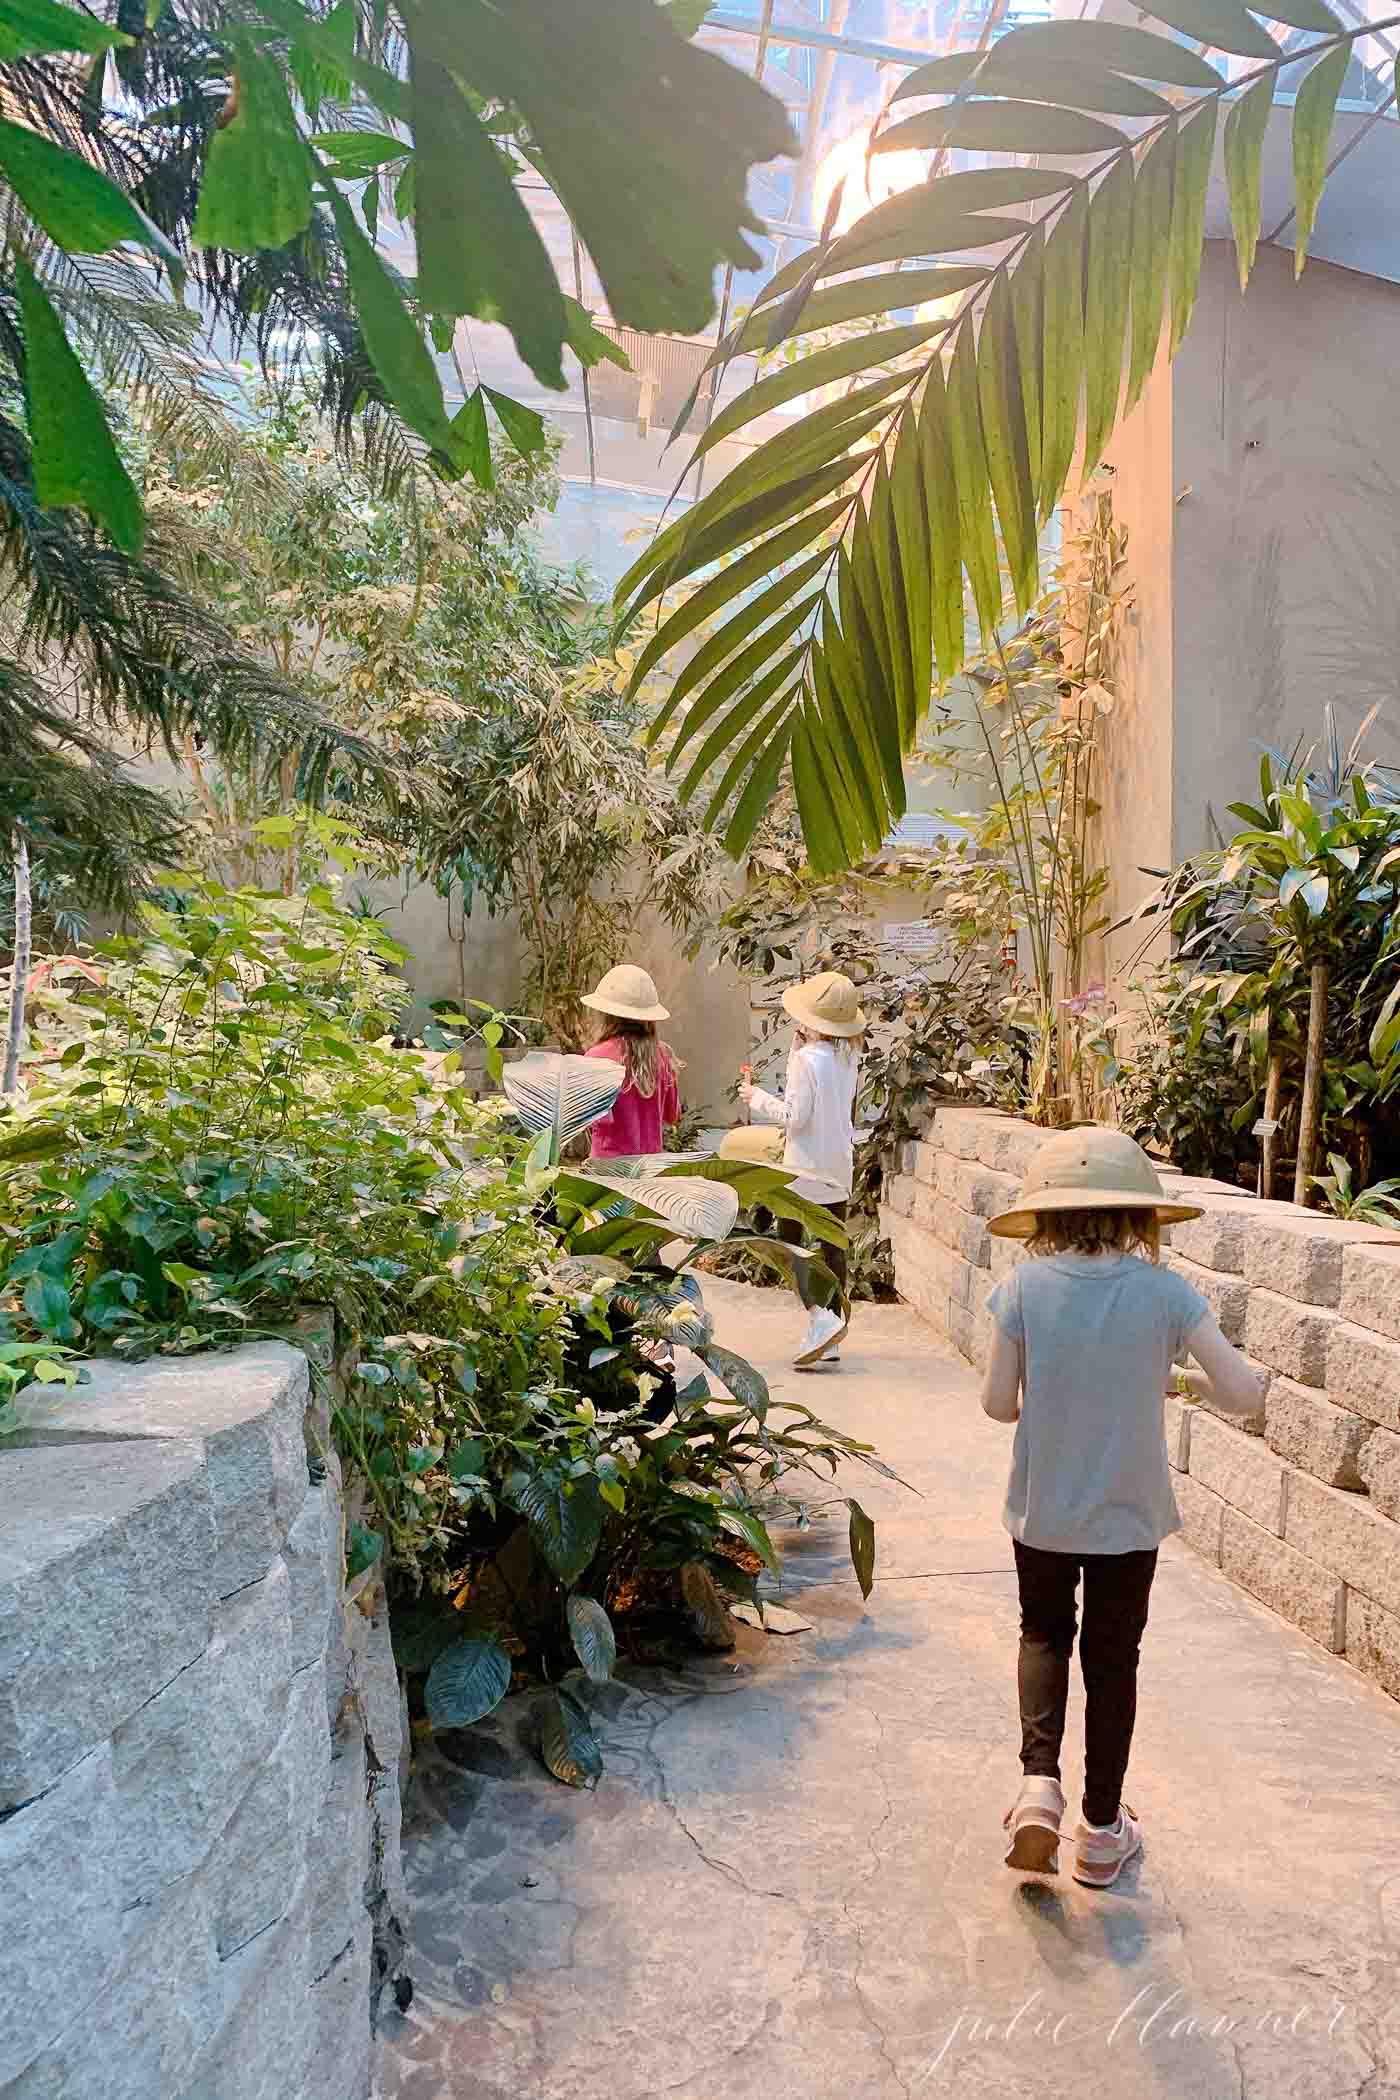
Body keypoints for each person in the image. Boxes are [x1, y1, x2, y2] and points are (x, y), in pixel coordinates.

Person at [981, 1127, 1264, 1889]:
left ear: (1047, 1215)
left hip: (1042, 1509)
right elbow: (1245, 1394)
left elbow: (997, 1405)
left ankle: (1038, 1788)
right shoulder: (1166, 1294)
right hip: (1129, 1518)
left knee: (1043, 1632)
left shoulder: (1020, 1290)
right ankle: (1103, 1831)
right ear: (1139, 1213)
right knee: (1112, 1660)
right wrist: (1184, 1385)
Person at [739, 969, 865, 1370]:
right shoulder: (849, 1056)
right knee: (833, 1246)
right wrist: (798, 1053)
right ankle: (832, 1331)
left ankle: (819, 1317)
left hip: (803, 1169)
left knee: (789, 1243)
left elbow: (795, 1118)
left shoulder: (806, 1061)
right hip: (838, 1165)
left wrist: (756, 1097)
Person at [581, 963, 681, 1160]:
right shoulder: (663, 1055)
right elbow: (672, 1116)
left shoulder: (596, 1057)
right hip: (650, 1169)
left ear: (607, 1014)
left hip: (608, 1171)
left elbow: (587, 1120)